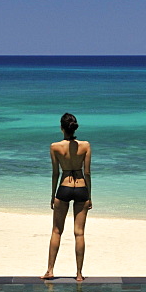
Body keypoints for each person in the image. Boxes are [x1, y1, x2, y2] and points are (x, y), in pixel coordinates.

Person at [41, 112, 92, 282]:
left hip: (64, 187)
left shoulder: (55, 147)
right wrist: (89, 196)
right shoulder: (85, 145)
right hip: (81, 188)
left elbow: (55, 173)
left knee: (57, 231)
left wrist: (52, 195)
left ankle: (50, 270)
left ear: (62, 128)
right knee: (79, 233)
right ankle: (78, 274)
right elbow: (87, 172)